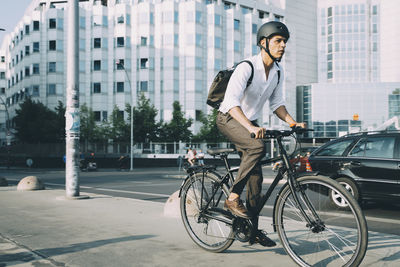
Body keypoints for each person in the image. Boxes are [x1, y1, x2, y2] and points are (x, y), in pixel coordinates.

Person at [216, 21, 306, 247]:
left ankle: (251, 229)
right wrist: (251, 128)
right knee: (257, 147)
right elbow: (230, 103)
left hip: (248, 122)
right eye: (278, 41)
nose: (283, 45)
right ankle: (233, 196)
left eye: (285, 42)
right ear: (263, 43)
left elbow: (277, 104)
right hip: (229, 117)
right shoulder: (246, 67)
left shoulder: (277, 71)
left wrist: (293, 123)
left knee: (255, 180)